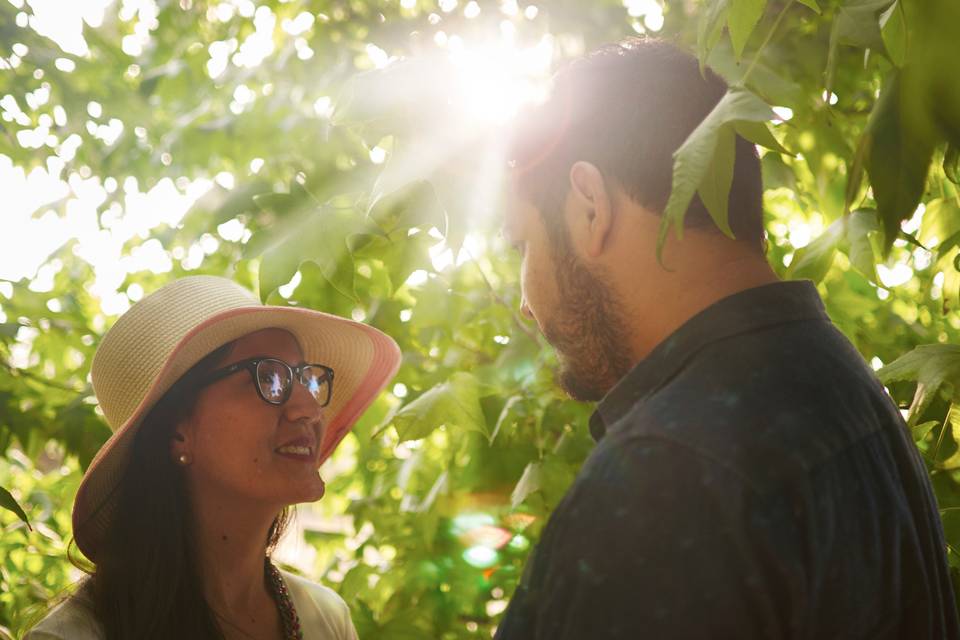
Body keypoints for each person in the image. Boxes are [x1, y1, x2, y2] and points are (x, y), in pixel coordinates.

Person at [496, 38, 960, 639]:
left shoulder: (667, 472)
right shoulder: (847, 392)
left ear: (590, 207)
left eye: (523, 244)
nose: (527, 307)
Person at [26, 275, 401, 639]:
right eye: (268, 377)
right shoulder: (75, 635)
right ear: (177, 431)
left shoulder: (326, 620)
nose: (308, 408)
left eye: (306, 377)